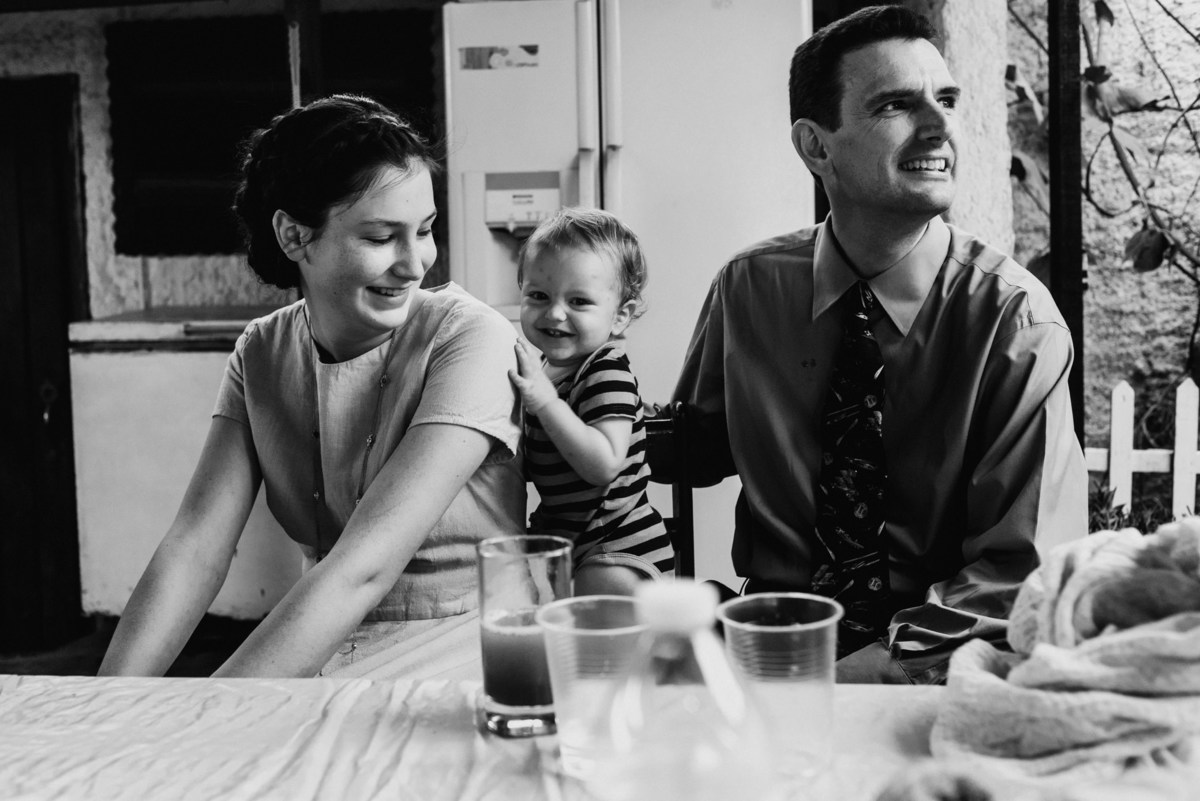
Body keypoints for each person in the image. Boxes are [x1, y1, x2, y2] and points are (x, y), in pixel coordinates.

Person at [673, 5, 1088, 684]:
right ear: (816, 147)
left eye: (947, 99)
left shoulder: (1014, 321)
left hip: (935, 675)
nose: (939, 125)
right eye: (898, 104)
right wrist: (564, 397)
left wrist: (840, 679)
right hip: (766, 650)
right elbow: (690, 447)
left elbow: (1018, 571)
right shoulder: (748, 289)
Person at [98, 95, 525, 679]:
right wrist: (109, 704)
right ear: (296, 238)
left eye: (424, 231)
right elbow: (196, 548)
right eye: (381, 238)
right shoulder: (262, 351)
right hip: (318, 637)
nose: (415, 262)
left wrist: (206, 713)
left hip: (470, 646)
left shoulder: (471, 338)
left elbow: (363, 569)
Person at [508, 208, 675, 595]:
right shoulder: (545, 371)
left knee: (596, 645)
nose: (554, 312)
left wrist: (545, 403)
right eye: (538, 295)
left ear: (620, 317)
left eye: (579, 301)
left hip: (617, 547)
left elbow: (603, 464)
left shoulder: (605, 371)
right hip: (573, 541)